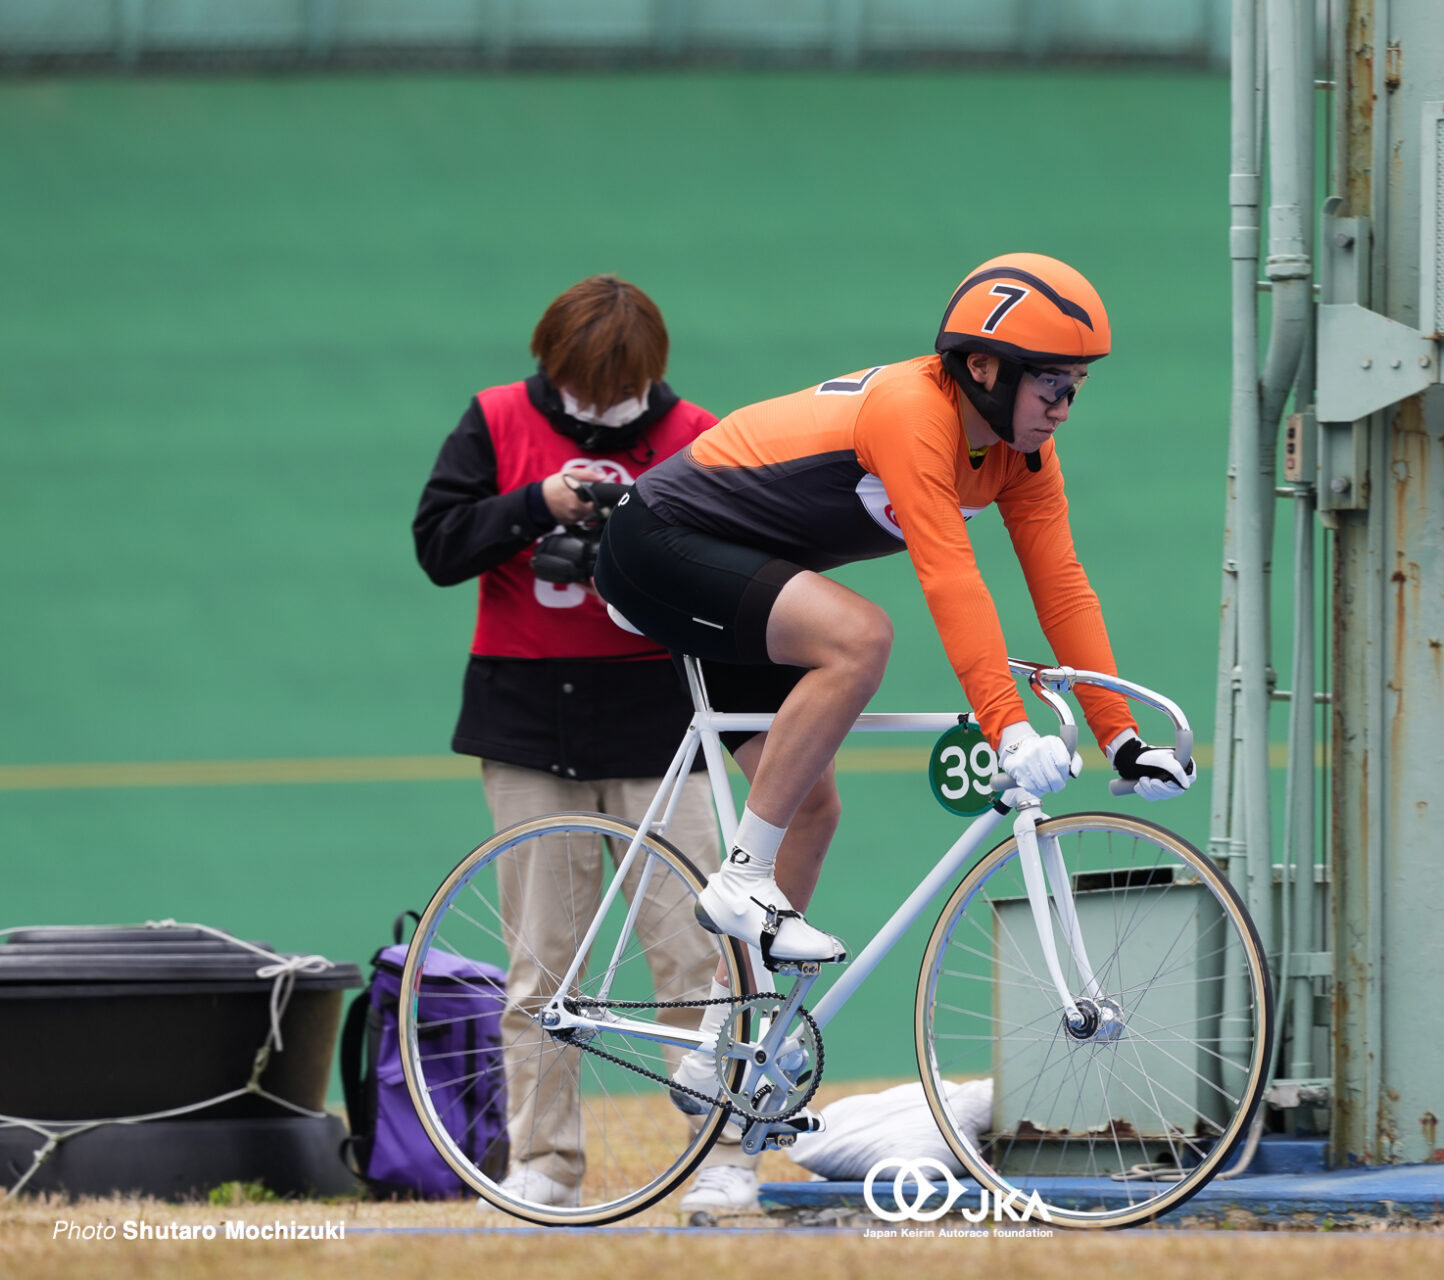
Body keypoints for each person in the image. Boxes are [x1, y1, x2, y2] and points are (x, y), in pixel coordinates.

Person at [592, 254, 1197, 1105]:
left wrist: (1120, 736)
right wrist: (1007, 728)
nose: (1064, 404)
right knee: (861, 638)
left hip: (747, 568)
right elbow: (950, 577)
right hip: (660, 542)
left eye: (1077, 385)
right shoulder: (915, 410)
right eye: (1050, 383)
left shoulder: (1021, 455)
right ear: (982, 368)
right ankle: (738, 881)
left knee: (809, 802)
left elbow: (1060, 583)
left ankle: (728, 1043)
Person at [412, 273, 767, 1217]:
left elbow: (750, 567)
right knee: (544, 961)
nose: (595, 408)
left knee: (696, 951)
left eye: (614, 391)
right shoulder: (494, 420)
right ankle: (544, 1166)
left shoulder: (694, 432)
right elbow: (439, 546)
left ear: (649, 375)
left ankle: (725, 1150)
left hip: (665, 723)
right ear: (548, 364)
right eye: (576, 388)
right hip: (530, 722)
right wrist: (540, 503)